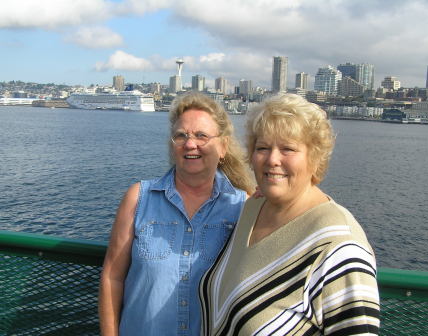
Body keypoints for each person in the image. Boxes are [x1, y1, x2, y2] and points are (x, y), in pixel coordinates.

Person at [200, 94, 380, 335]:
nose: (273, 159)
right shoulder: (252, 209)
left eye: (288, 149)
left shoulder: (340, 245)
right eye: (262, 147)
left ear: (314, 158)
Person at [99, 92, 254, 336]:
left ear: (223, 146)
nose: (190, 144)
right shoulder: (139, 198)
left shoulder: (242, 205)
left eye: (202, 135)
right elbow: (112, 277)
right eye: (181, 135)